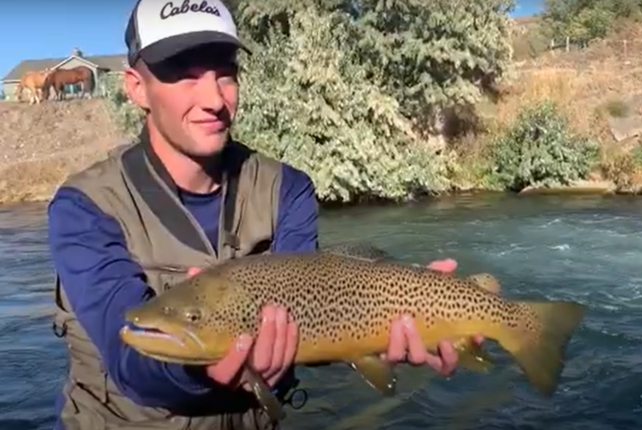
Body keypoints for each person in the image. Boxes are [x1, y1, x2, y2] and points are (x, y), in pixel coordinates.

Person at [46, 0, 483, 429]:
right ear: (136, 87)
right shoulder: (84, 207)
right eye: (184, 75)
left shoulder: (286, 189)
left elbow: (314, 319)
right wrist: (205, 367)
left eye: (225, 73)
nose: (213, 99)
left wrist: (390, 326)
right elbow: (130, 363)